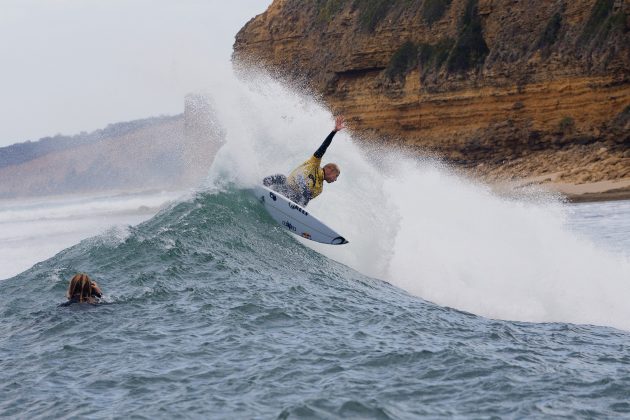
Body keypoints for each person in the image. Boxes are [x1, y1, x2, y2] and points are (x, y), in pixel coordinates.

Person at [263, 115, 345, 207]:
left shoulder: (319, 189)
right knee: (281, 177)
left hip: (291, 199)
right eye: (336, 176)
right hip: (282, 188)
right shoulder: (314, 164)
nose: (335, 179)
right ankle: (259, 185)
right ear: (330, 170)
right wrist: (334, 132)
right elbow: (323, 147)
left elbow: (304, 202)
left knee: (304, 194)